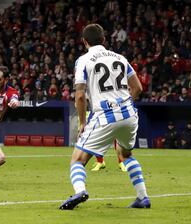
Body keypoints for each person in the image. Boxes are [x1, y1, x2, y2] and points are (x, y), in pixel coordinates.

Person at [59, 24, 149, 210]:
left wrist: (83, 122)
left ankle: (80, 191)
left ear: (84, 42)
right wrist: (123, 104)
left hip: (105, 115)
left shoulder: (83, 60)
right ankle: (143, 197)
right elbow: (138, 88)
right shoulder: (120, 58)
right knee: (125, 154)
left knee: (77, 159)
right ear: (104, 39)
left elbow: (81, 95)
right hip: (129, 115)